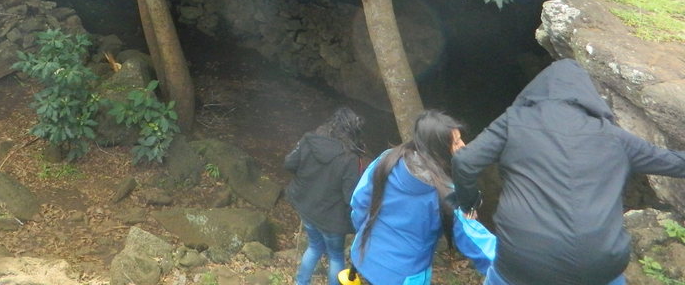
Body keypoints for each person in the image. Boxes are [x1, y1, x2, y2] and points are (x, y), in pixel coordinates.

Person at [452, 58, 685, 285]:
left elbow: (464, 161)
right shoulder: (615, 137)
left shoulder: (514, 121)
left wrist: (470, 202)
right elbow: (674, 162)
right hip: (599, 264)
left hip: (525, 260)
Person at [347, 110, 495, 285]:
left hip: (365, 257)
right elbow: (481, 246)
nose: (463, 145)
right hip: (403, 277)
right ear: (439, 149)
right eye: (456, 142)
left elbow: (359, 202)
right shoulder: (447, 194)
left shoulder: (387, 159)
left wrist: (367, 236)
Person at [285, 106, 366, 285]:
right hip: (332, 219)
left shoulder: (310, 140)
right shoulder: (350, 158)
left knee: (314, 246)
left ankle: (301, 282)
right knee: (336, 256)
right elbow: (350, 197)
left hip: (308, 208)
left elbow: (289, 163)